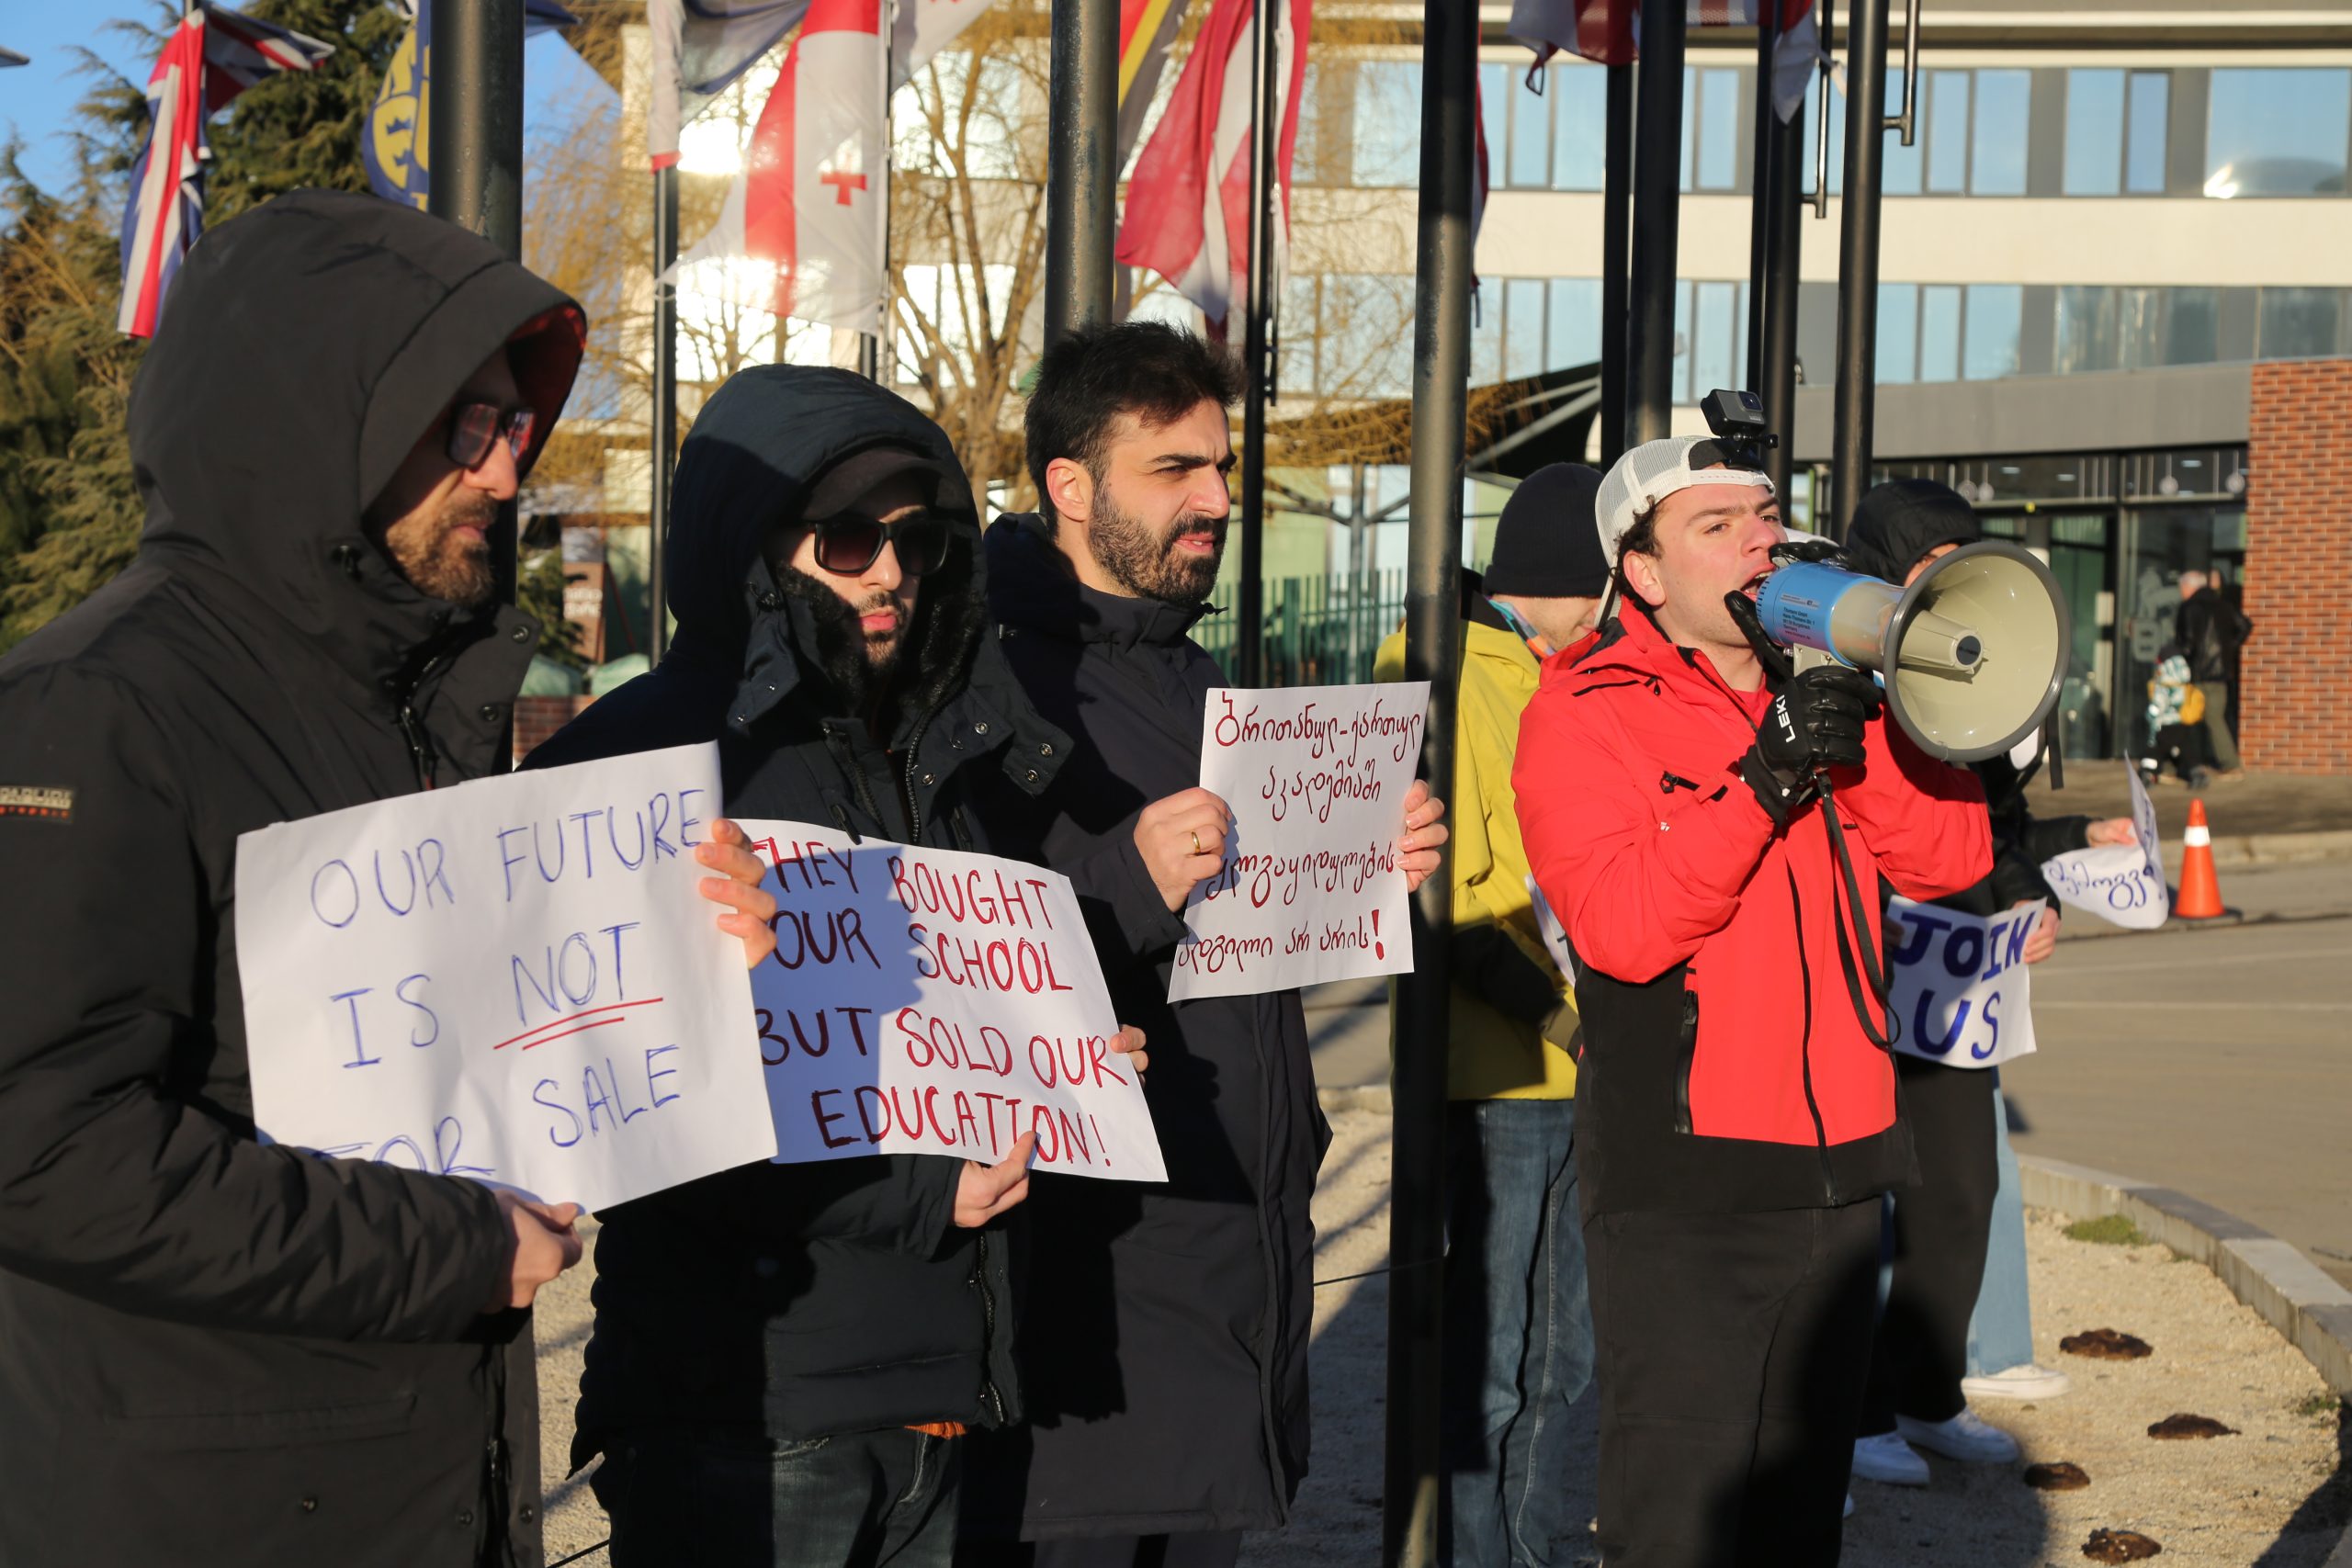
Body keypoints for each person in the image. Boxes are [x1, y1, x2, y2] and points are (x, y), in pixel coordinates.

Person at [0, 189, 778, 1567]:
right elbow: (41, 1144)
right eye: (461, 423)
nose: (502, 469)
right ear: (319, 421)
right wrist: (451, 1248)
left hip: (416, 1484)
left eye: (512, 427)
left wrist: (694, 953)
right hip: (195, 1506)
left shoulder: (419, 708)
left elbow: (484, 1051)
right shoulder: (93, 710)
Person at [525, 367, 1143, 1567]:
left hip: (937, 1393)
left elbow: (953, 1014)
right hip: (746, 1410)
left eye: (915, 542)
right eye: (851, 536)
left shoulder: (934, 744)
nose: (890, 574)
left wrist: (1065, 1059)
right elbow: (626, 1099)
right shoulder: (645, 757)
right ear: (752, 547)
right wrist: (921, 1192)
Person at [957, 321, 1447, 1568]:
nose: (1218, 498)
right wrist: (1125, 872)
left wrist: (1365, 851)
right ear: (1070, 486)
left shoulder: (1193, 672)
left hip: (1237, 1264)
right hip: (1096, 1297)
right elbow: (952, 940)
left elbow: (1246, 930)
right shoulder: (996, 683)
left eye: (1220, 467)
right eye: (1174, 468)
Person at [1513, 435, 1991, 1566]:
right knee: (1680, 1520)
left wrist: (1859, 734)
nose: (1757, 539)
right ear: (1641, 571)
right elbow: (1626, 929)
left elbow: (1948, 857)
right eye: (1714, 526)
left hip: (1841, 1170)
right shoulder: (1582, 710)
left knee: (1796, 1521)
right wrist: (1763, 780)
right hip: (1688, 1183)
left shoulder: (1828, 687)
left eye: (1764, 515)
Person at [1838, 480, 2135, 1489]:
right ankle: (1856, 1411)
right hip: (1871, 951)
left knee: (1959, 1191)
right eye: (1932, 561)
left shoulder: (1968, 685)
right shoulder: (1841, 680)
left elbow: (1992, 827)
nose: (1951, 579)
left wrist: (2023, 900)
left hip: (1955, 956)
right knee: (1862, 1207)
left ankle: (1925, 1395)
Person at [1374, 463, 1602, 1567]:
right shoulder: (1451, 673)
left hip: (1564, 1056)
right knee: (1499, 1358)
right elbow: (1450, 891)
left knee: (1564, 1359)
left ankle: (1528, 1549)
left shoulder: (1546, 669)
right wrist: (1560, 1016)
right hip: (1498, 1071)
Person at [2174, 570, 2250, 778]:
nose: (2180, 591)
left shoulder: (2189, 607)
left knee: (2189, 718)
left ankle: (2197, 765)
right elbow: (2244, 625)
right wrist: (2228, 649)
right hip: (2220, 673)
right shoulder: (2222, 605)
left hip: (2197, 674)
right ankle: (2223, 764)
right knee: (2214, 717)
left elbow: (2187, 643)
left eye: (2182, 586)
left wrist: (2179, 660)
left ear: (2189, 586)